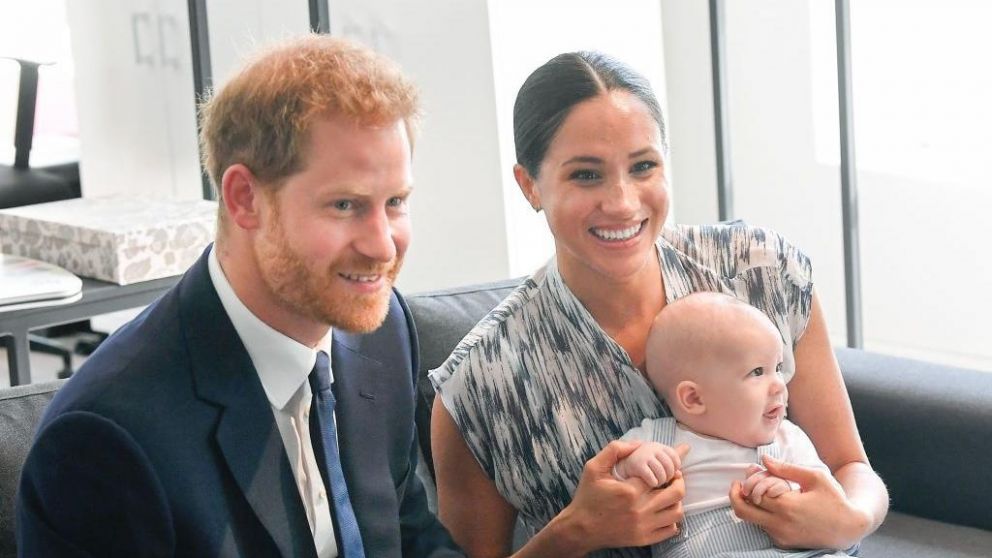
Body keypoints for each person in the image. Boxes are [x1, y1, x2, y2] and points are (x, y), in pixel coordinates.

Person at [17, 35, 462, 558]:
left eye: (396, 202)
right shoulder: (103, 443)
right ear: (244, 198)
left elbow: (410, 538)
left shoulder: (381, 332)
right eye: (345, 204)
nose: (382, 245)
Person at [429, 50, 887, 558]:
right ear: (530, 185)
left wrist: (849, 518)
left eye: (643, 166)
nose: (623, 202)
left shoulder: (760, 271)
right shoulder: (480, 383)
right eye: (586, 175)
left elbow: (850, 464)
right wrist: (575, 532)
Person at [613, 291, 851, 558]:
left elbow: (826, 505)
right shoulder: (656, 440)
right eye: (757, 372)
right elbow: (608, 486)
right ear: (694, 398)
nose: (779, 384)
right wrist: (633, 464)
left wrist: (788, 496)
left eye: (779, 367)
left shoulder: (789, 439)